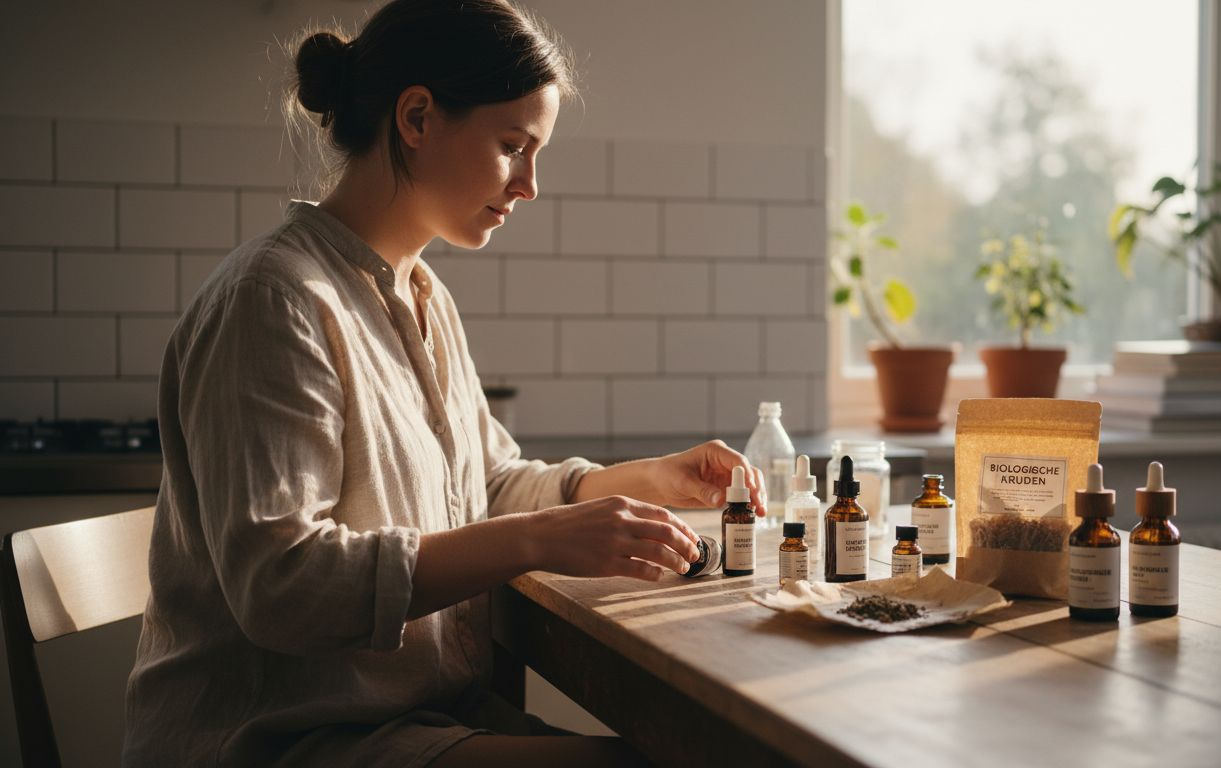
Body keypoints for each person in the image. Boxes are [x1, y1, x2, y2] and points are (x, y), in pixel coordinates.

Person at [122, 1, 764, 765]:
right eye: (512, 146)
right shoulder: (274, 298)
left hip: (418, 718)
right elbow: (283, 587)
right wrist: (539, 537)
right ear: (417, 118)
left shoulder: (422, 297)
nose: (529, 185)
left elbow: (483, 486)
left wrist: (644, 481)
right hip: (286, 739)